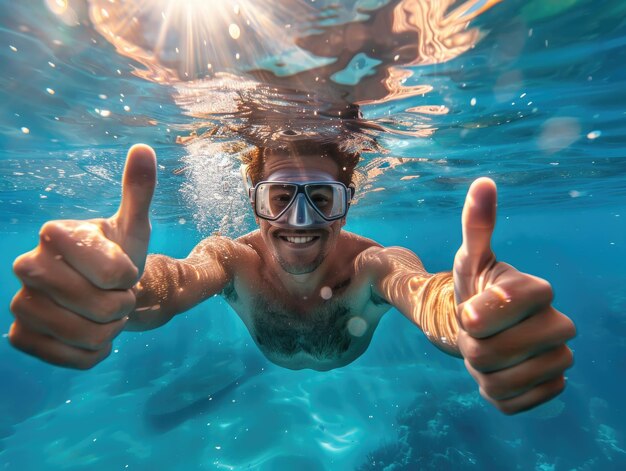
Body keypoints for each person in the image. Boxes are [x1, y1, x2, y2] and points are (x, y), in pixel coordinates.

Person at [9, 140, 576, 415]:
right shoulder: (232, 259)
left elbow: (425, 293)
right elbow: (174, 283)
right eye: (280, 198)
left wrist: (473, 317)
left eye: (321, 199)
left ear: (346, 205)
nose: (299, 222)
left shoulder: (373, 264)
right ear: (255, 203)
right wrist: (119, 291)